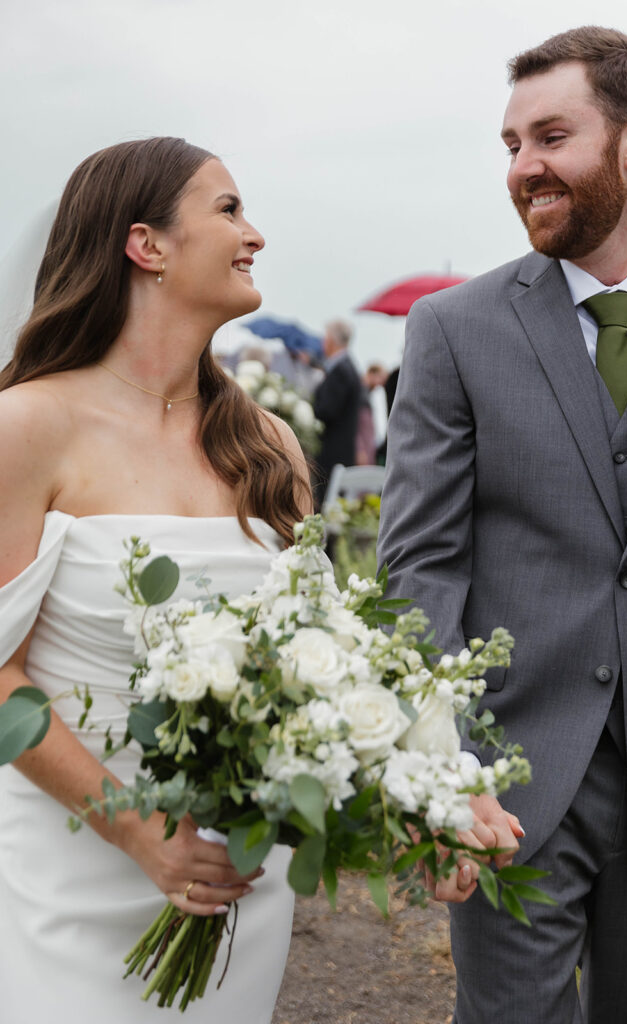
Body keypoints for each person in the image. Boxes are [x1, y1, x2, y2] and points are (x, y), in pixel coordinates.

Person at [377, 27, 627, 1023]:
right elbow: (417, 565)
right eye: (509, 143)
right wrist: (442, 766)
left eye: (549, 136)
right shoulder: (454, 330)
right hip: (510, 794)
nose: (522, 169)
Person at [0, 137, 313, 1023]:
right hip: (74, 868)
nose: (253, 235)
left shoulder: (266, 445)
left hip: (234, 877)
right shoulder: (26, 426)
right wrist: (135, 829)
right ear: (147, 245)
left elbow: (315, 651)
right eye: (228, 210)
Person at [312, 319, 362, 507]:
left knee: (327, 503)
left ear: (332, 340)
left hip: (332, 452)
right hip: (341, 450)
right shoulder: (348, 367)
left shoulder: (341, 371)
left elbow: (326, 411)